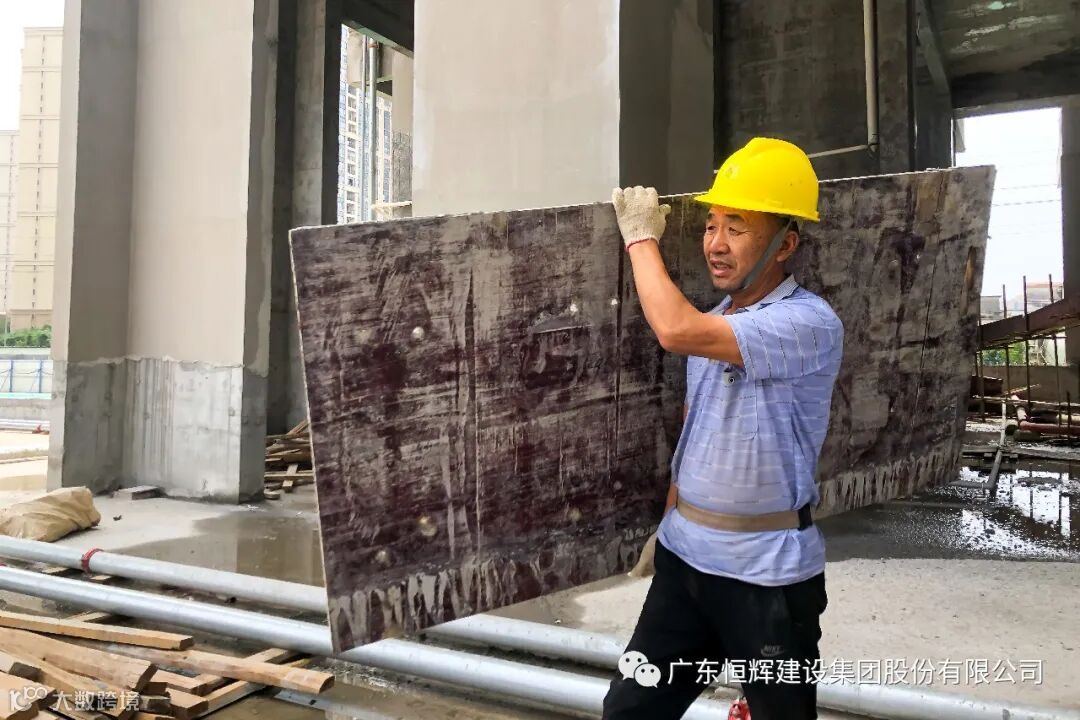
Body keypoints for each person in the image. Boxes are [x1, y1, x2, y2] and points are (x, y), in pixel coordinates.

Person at [603, 137, 844, 720]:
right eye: (711, 225)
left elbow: (674, 331)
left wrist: (639, 237)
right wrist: (669, 524)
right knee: (630, 713)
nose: (715, 243)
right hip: (686, 565)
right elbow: (696, 431)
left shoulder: (806, 322)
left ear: (786, 244)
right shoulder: (714, 323)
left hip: (768, 580)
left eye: (737, 228)